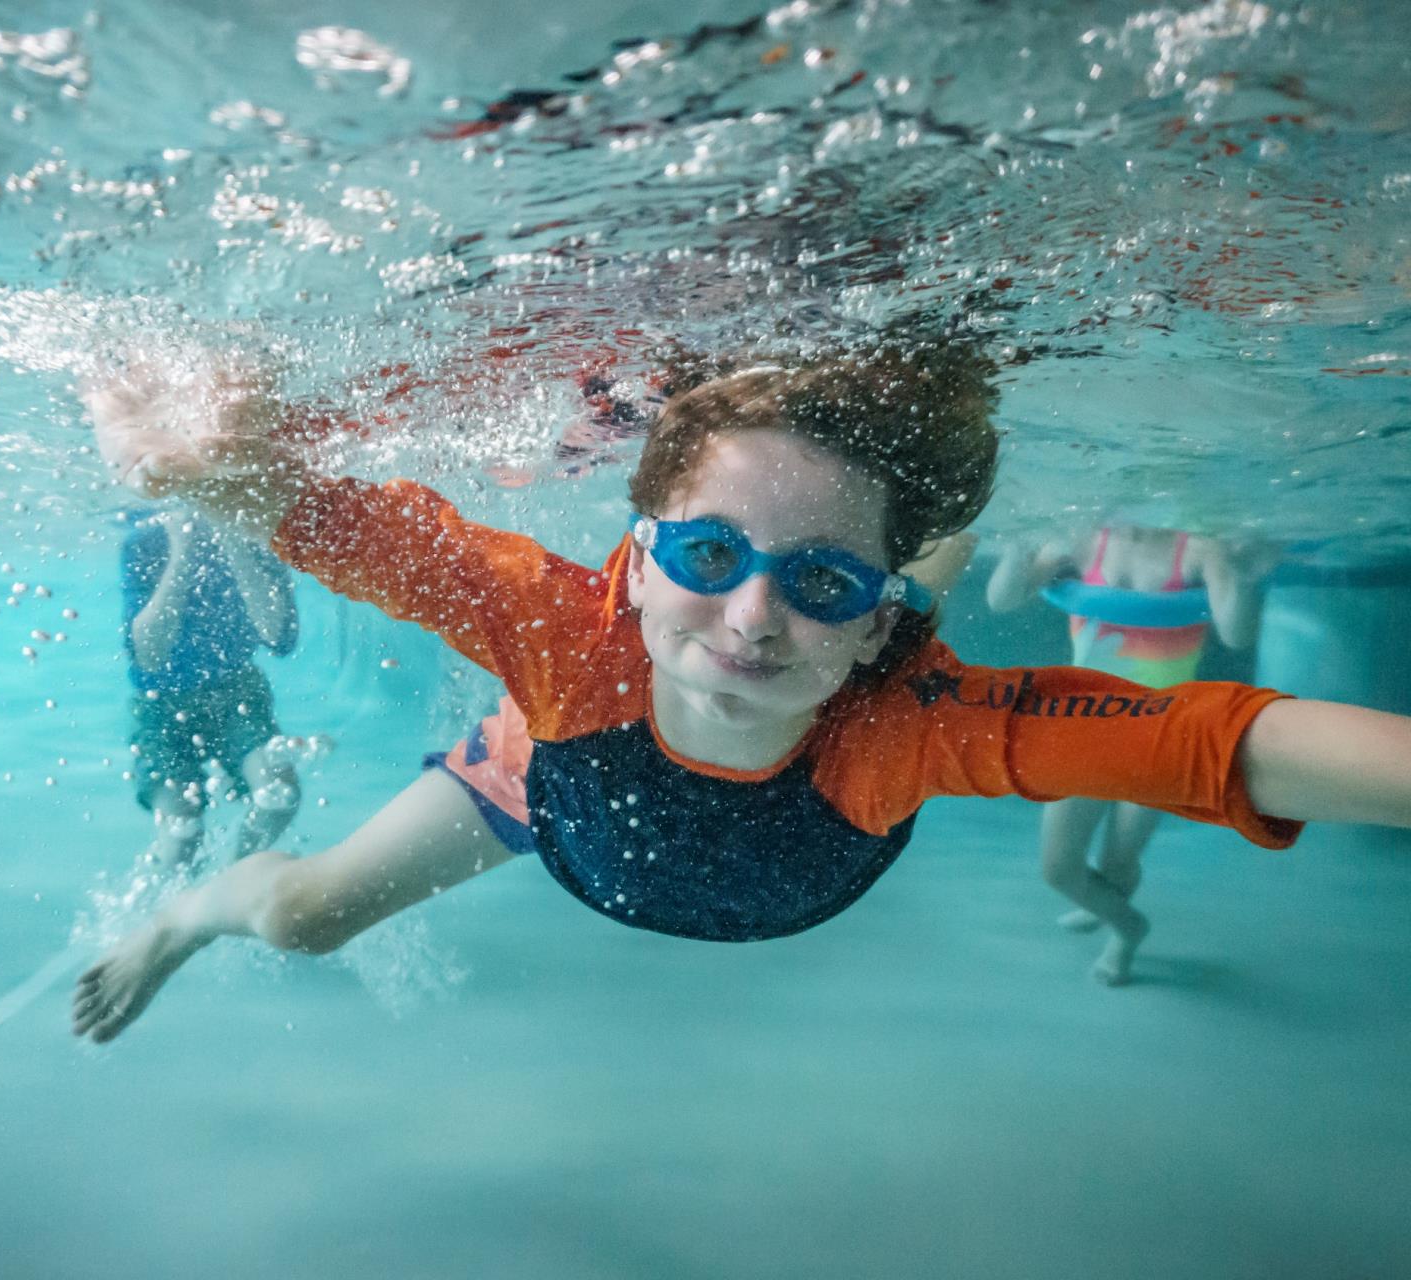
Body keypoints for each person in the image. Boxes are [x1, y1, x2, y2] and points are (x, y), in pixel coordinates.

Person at [71, 342, 1411, 1040]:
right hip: (550, 781)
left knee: (885, 547)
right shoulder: (567, 627)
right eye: (710, 556)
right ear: (637, 562)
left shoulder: (912, 722)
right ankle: (181, 920)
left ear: (874, 616)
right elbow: (339, 524)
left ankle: (876, 540)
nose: (754, 616)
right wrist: (202, 464)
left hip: (785, 789)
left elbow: (1222, 743)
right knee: (302, 918)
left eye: (822, 585)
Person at [987, 526, 1276, 981]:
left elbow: (1237, 635)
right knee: (1059, 869)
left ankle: (1121, 935)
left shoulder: (1199, 548)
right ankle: (1127, 919)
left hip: (1163, 735)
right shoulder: (1084, 540)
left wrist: (1233, 569)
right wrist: (1018, 547)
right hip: (1086, 729)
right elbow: (1003, 600)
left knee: (1119, 860)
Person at [118, 499, 302, 869]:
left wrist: (232, 538)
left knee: (279, 794)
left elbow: (278, 636)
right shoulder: (147, 539)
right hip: (161, 704)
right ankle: (163, 910)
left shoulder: (258, 531)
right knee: (181, 832)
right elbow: (149, 655)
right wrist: (182, 552)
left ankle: (229, 885)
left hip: (238, 692)